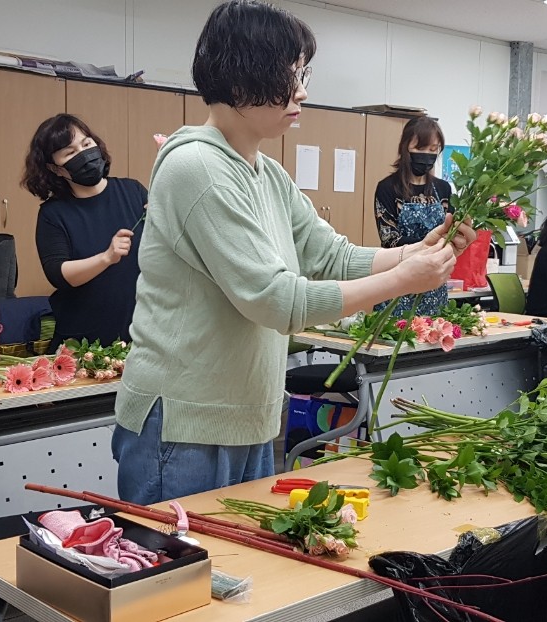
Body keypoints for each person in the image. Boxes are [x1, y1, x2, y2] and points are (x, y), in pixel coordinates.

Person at [112, 0, 476, 505]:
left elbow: (333, 255)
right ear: (240, 78)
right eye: (289, 74)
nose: (302, 90)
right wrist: (403, 280)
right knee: (182, 580)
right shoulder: (197, 167)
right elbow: (275, 301)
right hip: (185, 423)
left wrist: (424, 249)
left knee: (241, 578)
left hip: (248, 415)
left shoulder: (264, 171)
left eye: (302, 73)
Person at [24, 113, 147, 352]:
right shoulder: (53, 214)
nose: (83, 154)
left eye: (87, 144)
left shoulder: (133, 191)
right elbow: (58, 273)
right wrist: (106, 258)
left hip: (138, 335)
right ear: (55, 169)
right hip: (82, 343)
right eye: (70, 153)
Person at [373, 116, 452, 316]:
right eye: (421, 148)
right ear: (405, 147)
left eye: (433, 150)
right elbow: (390, 239)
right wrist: (429, 243)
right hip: (397, 280)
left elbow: (450, 233)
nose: (427, 155)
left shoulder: (442, 189)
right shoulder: (388, 188)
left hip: (433, 283)